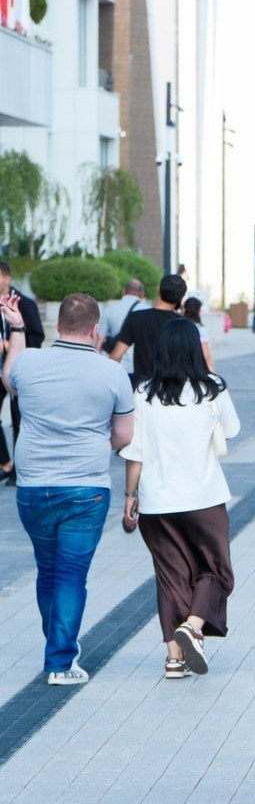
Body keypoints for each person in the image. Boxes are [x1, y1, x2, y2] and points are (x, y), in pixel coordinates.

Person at [0, 291, 133, 685]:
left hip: (33, 487)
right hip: (85, 489)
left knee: (49, 570)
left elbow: (9, 378)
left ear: (58, 325)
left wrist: (18, 328)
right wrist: (92, 445)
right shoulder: (112, 372)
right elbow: (124, 435)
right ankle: (59, 661)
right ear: (96, 330)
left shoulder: (31, 363)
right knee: (72, 574)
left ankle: (56, 645)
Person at [120, 319, 240, 679]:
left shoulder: (142, 392)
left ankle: (174, 659)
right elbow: (231, 430)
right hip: (203, 499)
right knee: (216, 571)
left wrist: (129, 496)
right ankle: (193, 625)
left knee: (171, 578)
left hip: (156, 504)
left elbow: (134, 451)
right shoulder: (212, 388)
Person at [0, 260, 46, 486]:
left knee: (21, 422)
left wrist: (10, 345)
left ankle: (20, 469)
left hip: (19, 372)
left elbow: (37, 336)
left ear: (7, 278)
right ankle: (5, 463)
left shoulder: (25, 304)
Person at [110, 271, 186, 386]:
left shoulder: (136, 318)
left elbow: (116, 355)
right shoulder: (185, 324)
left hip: (143, 389)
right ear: (181, 297)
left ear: (158, 290)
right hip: (174, 390)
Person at [100, 278, 148, 367]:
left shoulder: (110, 308)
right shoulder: (148, 310)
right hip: (140, 368)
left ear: (124, 291)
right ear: (142, 294)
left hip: (114, 364)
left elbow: (99, 339)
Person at [182, 296, 216, 372]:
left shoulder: (179, 326)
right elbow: (206, 355)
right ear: (198, 310)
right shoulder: (200, 329)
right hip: (196, 369)